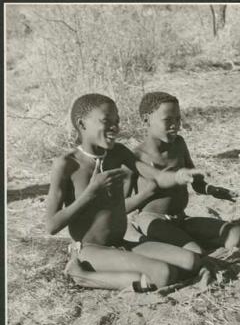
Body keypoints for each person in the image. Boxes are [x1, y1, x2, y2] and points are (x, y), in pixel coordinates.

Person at [46, 93, 210, 292]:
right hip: (90, 249)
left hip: (121, 242)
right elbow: (51, 225)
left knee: (191, 260)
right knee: (163, 274)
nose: (115, 127)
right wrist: (91, 192)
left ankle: (130, 270)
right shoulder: (66, 165)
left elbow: (156, 175)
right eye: (107, 121)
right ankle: (81, 274)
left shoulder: (118, 153)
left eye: (117, 121)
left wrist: (179, 176)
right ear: (82, 125)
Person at [131, 92, 240, 254]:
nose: (175, 125)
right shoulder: (138, 156)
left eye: (178, 119)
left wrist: (212, 190)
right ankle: (182, 249)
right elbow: (123, 202)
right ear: (146, 120)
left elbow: (196, 183)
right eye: (167, 120)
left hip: (181, 219)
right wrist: (145, 196)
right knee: (195, 252)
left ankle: (186, 245)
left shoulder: (179, 144)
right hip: (153, 221)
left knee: (235, 234)